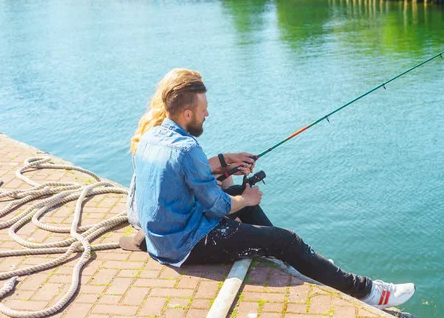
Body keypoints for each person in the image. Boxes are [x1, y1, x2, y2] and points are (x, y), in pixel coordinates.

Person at [124, 68, 415, 309]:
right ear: (187, 114)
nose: (207, 115)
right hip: (184, 245)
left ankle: (298, 260)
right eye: (203, 110)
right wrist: (244, 197)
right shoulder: (188, 148)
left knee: (252, 209)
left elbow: (175, 176)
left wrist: (225, 163)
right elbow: (219, 207)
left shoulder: (150, 136)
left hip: (166, 233)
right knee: (285, 239)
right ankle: (366, 291)